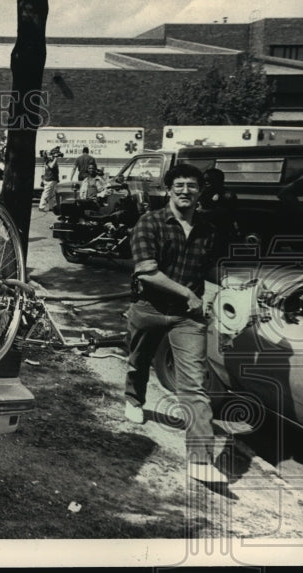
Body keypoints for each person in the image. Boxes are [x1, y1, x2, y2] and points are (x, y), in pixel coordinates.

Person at [124, 163, 225, 484]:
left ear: (200, 192)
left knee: (194, 385)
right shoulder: (149, 222)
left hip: (187, 318)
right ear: (168, 189)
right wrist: (188, 294)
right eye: (179, 185)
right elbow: (146, 270)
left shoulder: (208, 228)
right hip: (148, 307)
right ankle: (133, 400)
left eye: (192, 186)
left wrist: (222, 289)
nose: (185, 191)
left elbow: (209, 269)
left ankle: (200, 459)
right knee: (138, 361)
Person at [38, 146, 62, 211]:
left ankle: (51, 207)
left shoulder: (50, 160)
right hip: (49, 180)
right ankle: (41, 207)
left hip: (52, 180)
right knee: (46, 193)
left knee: (52, 194)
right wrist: (56, 158)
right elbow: (51, 166)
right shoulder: (48, 161)